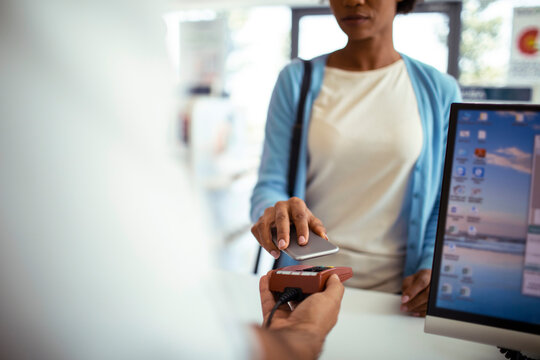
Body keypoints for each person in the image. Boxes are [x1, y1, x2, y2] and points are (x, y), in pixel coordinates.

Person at [0, 1, 344, 359]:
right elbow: (150, 334)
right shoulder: (297, 80)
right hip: (307, 285)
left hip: (397, 294)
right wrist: (299, 338)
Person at [251, 0, 462, 317]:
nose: (353, 1)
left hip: (399, 301)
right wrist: (274, 212)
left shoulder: (439, 91)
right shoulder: (296, 81)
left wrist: (434, 264)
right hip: (305, 292)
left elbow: (444, 202)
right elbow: (269, 184)